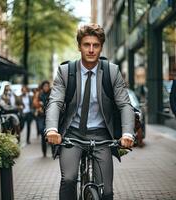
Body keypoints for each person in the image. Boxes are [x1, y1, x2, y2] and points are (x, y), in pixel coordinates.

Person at [45, 24, 135, 200]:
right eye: (87, 44)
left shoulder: (111, 71)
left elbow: (125, 105)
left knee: (107, 192)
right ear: (79, 46)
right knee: (69, 179)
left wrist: (127, 134)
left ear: (101, 47)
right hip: (73, 135)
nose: (91, 50)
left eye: (96, 45)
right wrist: (51, 130)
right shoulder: (66, 71)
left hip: (102, 136)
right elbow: (55, 101)